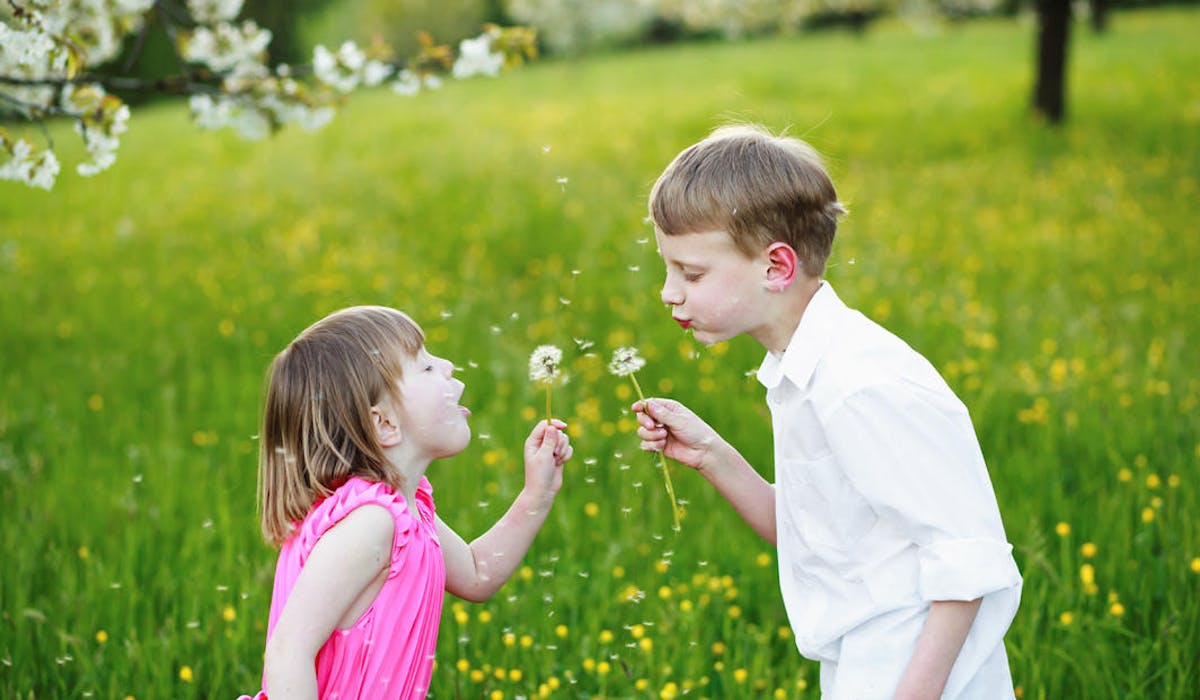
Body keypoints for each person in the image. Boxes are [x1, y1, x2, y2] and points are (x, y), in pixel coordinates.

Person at [632, 124, 1022, 700]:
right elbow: (811, 535)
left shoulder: (859, 385)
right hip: (864, 664)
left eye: (691, 273)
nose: (669, 291)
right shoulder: (802, 371)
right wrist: (713, 456)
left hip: (916, 672)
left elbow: (967, 562)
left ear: (776, 268)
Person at [239, 306, 572, 699]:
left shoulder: (405, 511)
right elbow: (287, 652)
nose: (448, 366)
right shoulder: (370, 524)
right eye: (426, 367)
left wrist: (536, 494)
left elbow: (478, 573)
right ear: (383, 423)